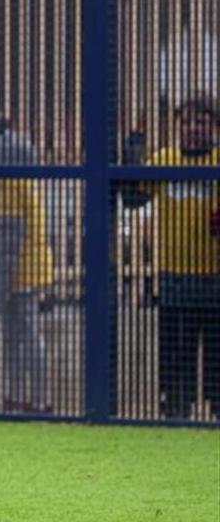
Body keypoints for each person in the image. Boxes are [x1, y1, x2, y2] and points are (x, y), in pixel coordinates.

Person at [123, 94, 219, 420]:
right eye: (186, 122)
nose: (192, 129)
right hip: (174, 274)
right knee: (177, 351)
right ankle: (176, 407)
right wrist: (131, 153)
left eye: (201, 122)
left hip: (214, 275)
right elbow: (132, 198)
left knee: (215, 353)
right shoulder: (165, 159)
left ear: (214, 127)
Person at [0, 117, 55, 413]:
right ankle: (20, 396)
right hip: (26, 267)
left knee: (23, 336)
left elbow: (6, 239)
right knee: (19, 336)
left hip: (19, 270)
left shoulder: (6, 182)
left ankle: (36, 399)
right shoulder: (14, 174)